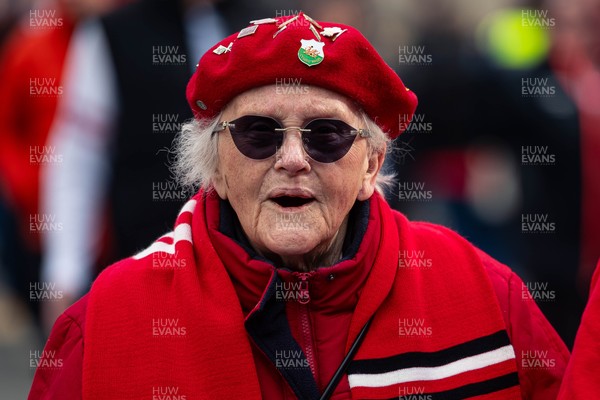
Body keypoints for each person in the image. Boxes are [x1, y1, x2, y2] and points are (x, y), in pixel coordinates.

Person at [29, 13, 568, 399]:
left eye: (327, 135)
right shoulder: (103, 330)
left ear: (371, 167)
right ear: (214, 165)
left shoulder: (486, 295)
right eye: (258, 134)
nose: (292, 159)